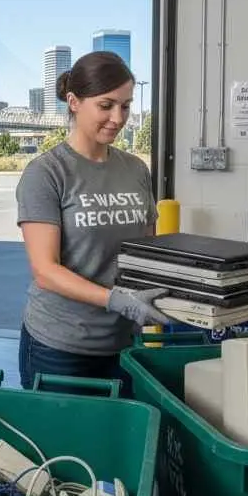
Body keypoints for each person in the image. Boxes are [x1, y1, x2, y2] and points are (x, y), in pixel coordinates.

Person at [15, 51, 168, 390]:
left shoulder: (135, 169)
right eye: (106, 105)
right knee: (63, 444)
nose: (118, 117)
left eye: (126, 106)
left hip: (125, 344)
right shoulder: (47, 174)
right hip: (60, 347)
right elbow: (45, 271)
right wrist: (116, 299)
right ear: (73, 101)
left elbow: (147, 252)